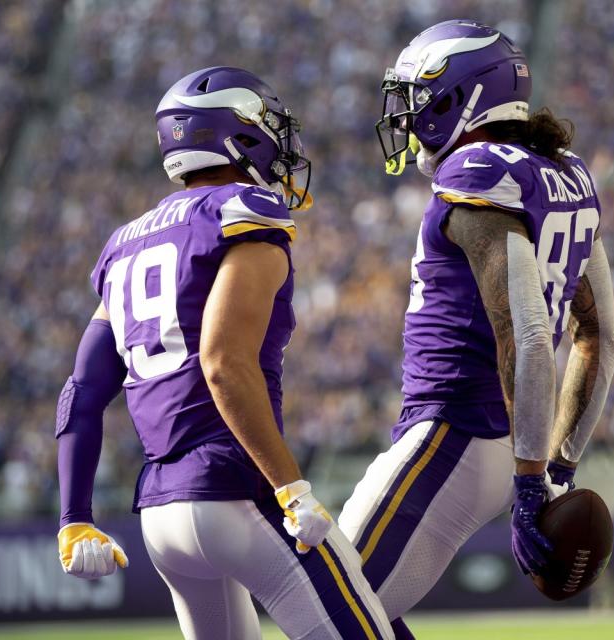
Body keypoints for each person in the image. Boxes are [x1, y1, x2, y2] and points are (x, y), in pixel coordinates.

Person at [54, 66, 394, 640]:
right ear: (237, 133)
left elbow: (83, 392)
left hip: (162, 515)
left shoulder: (125, 241)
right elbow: (222, 362)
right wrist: (292, 488)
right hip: (236, 491)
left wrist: (74, 520)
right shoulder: (242, 211)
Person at [338, 19, 614, 622]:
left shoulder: (477, 171)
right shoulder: (563, 170)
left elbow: (528, 333)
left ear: (459, 96)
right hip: (496, 442)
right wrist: (558, 466)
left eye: (418, 102)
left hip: (452, 430)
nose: (408, 120)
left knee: (328, 614)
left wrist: (531, 482)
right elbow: (603, 337)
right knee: (368, 616)